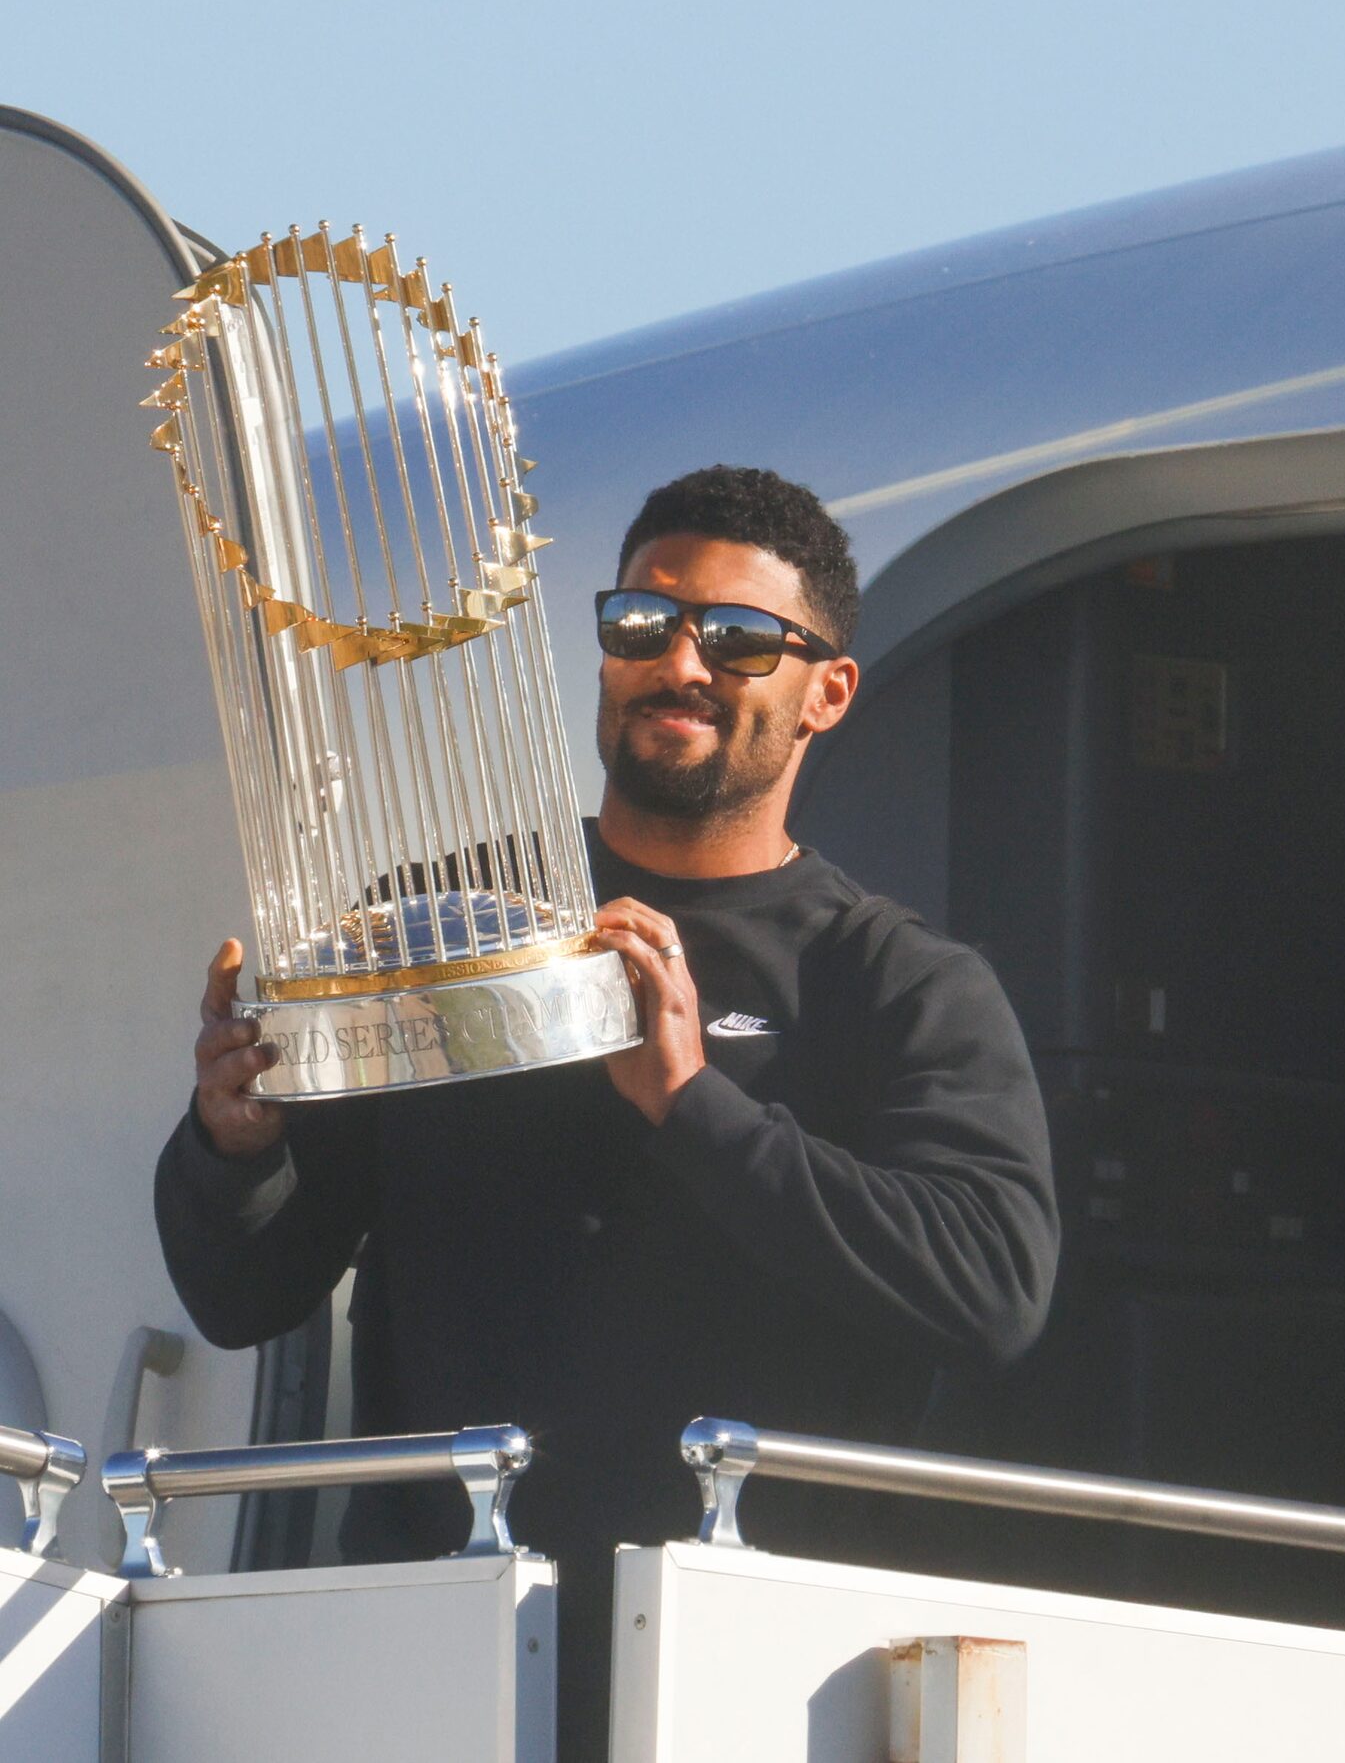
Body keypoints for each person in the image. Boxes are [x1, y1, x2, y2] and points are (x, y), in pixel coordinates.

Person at [152, 466, 1058, 1757]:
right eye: (642, 622)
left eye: (739, 638)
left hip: (752, 1677)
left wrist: (692, 1105)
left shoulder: (898, 983)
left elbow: (993, 1285)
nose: (679, 661)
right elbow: (242, 1292)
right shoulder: (454, 928)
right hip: (438, 1660)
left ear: (829, 692)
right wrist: (233, 1144)